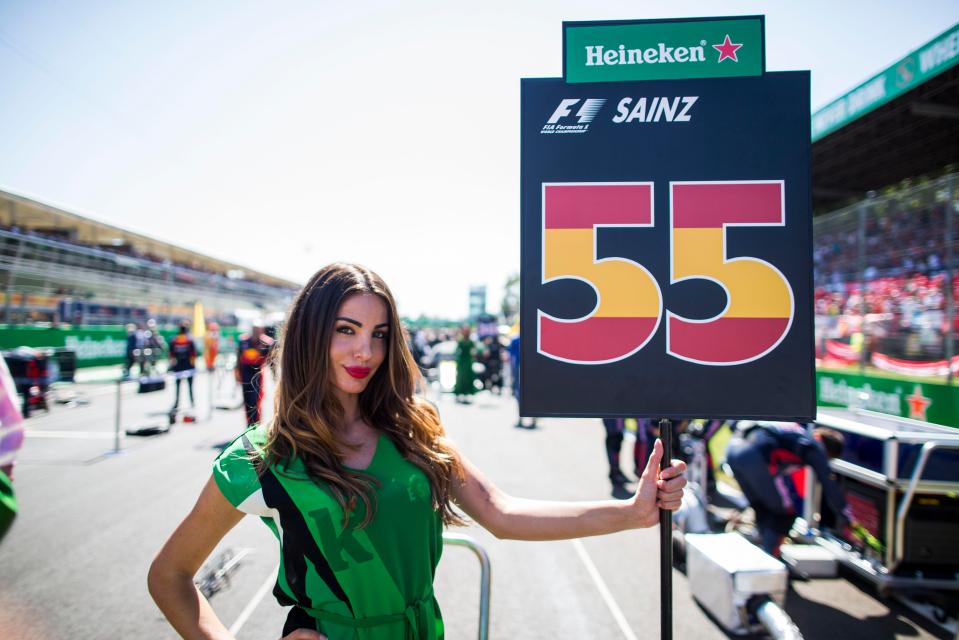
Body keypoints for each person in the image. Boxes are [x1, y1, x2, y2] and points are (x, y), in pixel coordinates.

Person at [148, 263, 687, 640]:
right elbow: (169, 575)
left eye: (379, 334)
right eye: (346, 330)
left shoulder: (415, 428)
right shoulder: (260, 457)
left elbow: (501, 512)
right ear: (312, 334)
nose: (366, 350)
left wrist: (633, 512)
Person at [725, 421, 849, 557]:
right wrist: (845, 514)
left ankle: (763, 553)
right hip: (754, 457)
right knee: (785, 512)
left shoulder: (797, 431)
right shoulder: (814, 445)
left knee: (762, 507)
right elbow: (828, 482)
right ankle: (772, 556)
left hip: (733, 448)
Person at [235, 321, 275, 427]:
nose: (256, 331)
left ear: (262, 330)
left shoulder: (267, 342)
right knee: (247, 401)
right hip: (245, 374)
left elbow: (272, 361)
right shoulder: (243, 340)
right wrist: (237, 373)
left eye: (258, 329)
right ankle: (249, 424)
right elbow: (238, 357)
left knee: (256, 400)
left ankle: (256, 425)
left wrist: (275, 376)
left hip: (257, 375)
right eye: (254, 329)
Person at [169, 322, 197, 415]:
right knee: (190, 386)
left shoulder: (174, 340)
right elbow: (194, 354)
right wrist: (193, 366)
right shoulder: (190, 340)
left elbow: (171, 356)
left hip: (178, 367)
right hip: (189, 366)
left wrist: (173, 365)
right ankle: (192, 402)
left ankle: (177, 403)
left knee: (177, 386)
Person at [452, 325, 476, 404]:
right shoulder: (461, 341)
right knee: (460, 377)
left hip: (468, 361)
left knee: (468, 377)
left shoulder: (471, 341)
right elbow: (456, 350)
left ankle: (467, 392)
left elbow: (473, 351)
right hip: (462, 361)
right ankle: (459, 392)